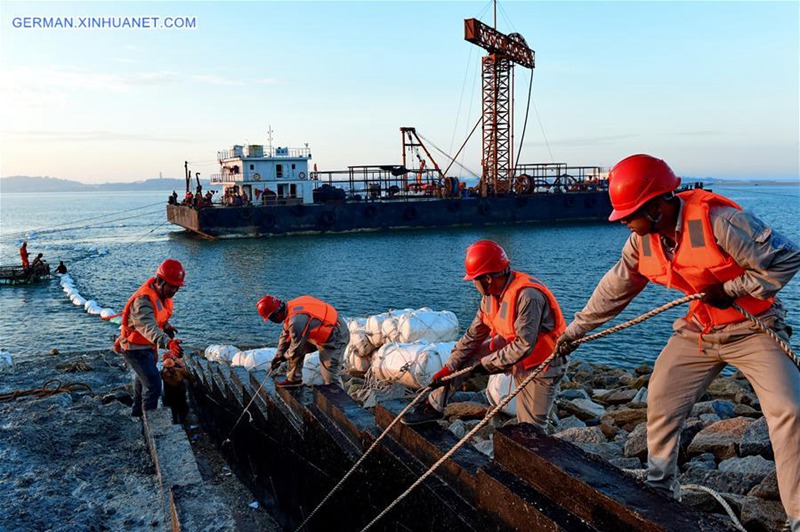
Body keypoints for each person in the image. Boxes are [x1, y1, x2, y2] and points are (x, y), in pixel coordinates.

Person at [556, 154, 800, 529]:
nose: (623, 222)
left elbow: (787, 258)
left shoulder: (722, 221)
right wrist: (573, 333)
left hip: (753, 328)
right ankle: (661, 493)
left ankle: (798, 516)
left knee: (789, 411)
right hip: (699, 331)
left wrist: (731, 289)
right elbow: (613, 290)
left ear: (657, 205)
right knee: (660, 398)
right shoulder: (642, 242)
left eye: (629, 214)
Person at [402, 240, 568, 430]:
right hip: (511, 348)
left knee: (531, 426)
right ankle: (434, 406)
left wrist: (484, 365)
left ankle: (531, 449)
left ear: (487, 279)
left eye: (474, 279)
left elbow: (524, 345)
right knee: (466, 357)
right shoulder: (489, 298)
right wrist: (449, 367)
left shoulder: (528, 296)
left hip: (542, 364)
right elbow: (472, 337)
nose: (472, 283)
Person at [115, 259, 186, 417]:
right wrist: (168, 343)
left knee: (143, 381)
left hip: (145, 347)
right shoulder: (143, 301)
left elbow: (157, 317)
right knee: (153, 385)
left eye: (177, 287)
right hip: (134, 349)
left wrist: (166, 326)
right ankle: (152, 423)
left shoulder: (162, 295)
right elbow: (148, 328)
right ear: (160, 281)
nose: (174, 290)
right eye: (172, 286)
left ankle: (137, 415)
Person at [256, 294, 349, 387]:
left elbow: (295, 348)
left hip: (336, 334)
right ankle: (294, 380)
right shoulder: (290, 309)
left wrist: (283, 358)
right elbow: (284, 336)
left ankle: (337, 398)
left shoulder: (296, 321)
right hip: (322, 330)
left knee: (329, 375)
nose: (272, 322)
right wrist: (278, 355)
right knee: (294, 350)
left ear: (275, 315)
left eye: (271, 319)